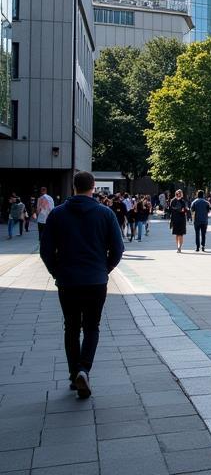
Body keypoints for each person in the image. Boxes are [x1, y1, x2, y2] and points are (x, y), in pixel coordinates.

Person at [39, 171, 124, 400]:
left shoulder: (57, 214)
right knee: (92, 326)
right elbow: (118, 249)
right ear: (93, 187)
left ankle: (73, 373)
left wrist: (57, 271)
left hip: (68, 280)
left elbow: (45, 250)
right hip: (95, 280)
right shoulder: (105, 213)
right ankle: (84, 369)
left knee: (71, 327)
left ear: (74, 187)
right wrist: (104, 269)